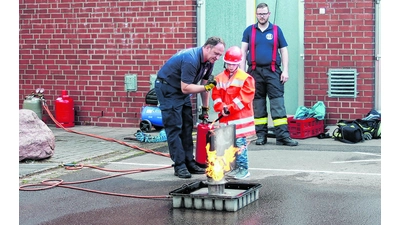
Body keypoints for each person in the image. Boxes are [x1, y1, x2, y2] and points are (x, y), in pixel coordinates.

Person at [155, 36, 226, 179]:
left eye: (220, 55)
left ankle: (189, 161)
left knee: (187, 126)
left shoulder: (208, 62)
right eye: (216, 53)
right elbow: (186, 88)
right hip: (168, 89)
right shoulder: (191, 60)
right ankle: (179, 165)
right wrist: (205, 87)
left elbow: (205, 86)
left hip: (181, 92)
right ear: (207, 48)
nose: (218, 57)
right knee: (175, 127)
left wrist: (205, 109)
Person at [239, 2, 298, 146]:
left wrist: (285, 70)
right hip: (254, 72)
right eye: (259, 14)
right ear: (256, 14)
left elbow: (284, 50)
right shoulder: (249, 31)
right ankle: (261, 136)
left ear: (269, 14)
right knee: (258, 105)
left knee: (278, 105)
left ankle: (283, 137)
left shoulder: (277, 30)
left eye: (264, 13)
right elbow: (242, 52)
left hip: (273, 72)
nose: (262, 16)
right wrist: (241, 75)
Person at [211, 46, 255, 180]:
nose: (231, 66)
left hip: (240, 121)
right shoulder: (219, 78)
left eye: (233, 64)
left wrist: (228, 108)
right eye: (229, 63)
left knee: (240, 146)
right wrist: (220, 107)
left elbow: (244, 99)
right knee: (231, 146)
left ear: (239, 63)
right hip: (227, 119)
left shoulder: (246, 78)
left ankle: (243, 169)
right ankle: (235, 168)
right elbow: (216, 95)